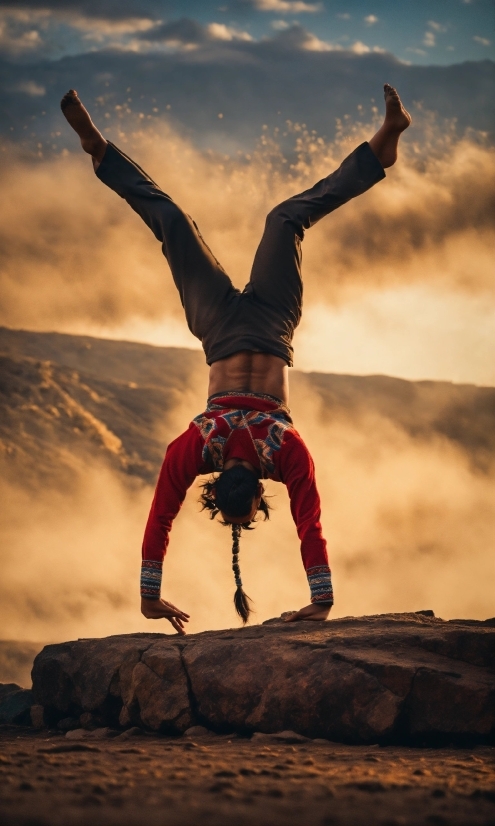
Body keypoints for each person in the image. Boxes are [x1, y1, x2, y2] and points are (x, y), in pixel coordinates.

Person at [61, 84, 411, 635]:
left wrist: (321, 601)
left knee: (281, 221)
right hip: (225, 327)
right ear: (219, 483)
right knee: (178, 223)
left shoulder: (284, 452)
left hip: (264, 327)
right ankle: (99, 149)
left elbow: (309, 525)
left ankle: (382, 146)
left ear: (254, 493)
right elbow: (161, 518)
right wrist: (148, 595)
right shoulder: (200, 447)